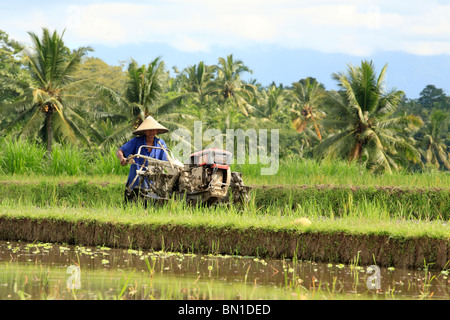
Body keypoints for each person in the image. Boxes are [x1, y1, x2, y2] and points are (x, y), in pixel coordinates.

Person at [116, 116, 169, 205]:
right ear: (144, 131)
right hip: (136, 181)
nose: (152, 132)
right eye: (149, 130)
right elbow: (120, 151)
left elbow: (166, 160)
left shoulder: (160, 143)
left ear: (156, 131)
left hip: (153, 183)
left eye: (153, 130)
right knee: (130, 206)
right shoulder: (137, 141)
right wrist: (123, 158)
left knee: (152, 207)